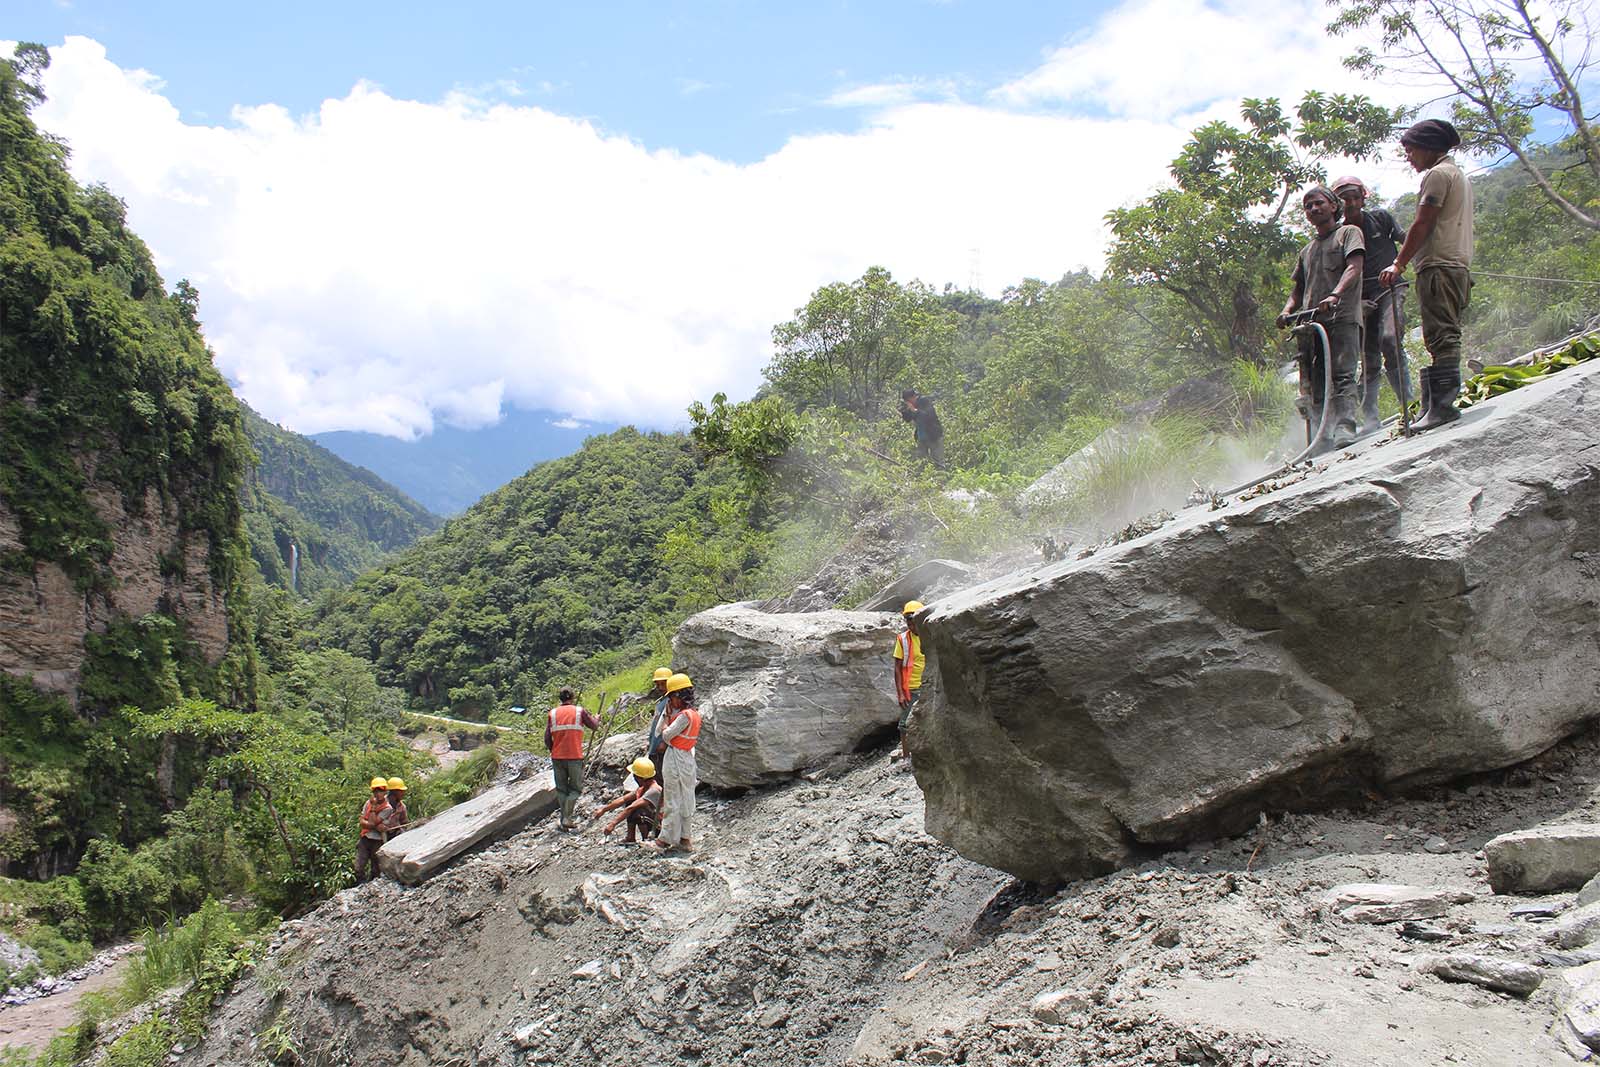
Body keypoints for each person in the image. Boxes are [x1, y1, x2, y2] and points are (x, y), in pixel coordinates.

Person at [1379, 118, 1474, 432]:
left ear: (1429, 147)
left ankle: (1443, 407)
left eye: (1410, 150)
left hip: (1439, 266)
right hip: (1454, 265)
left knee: (1441, 335)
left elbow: (1423, 223)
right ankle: (1434, 405)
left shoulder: (1437, 175)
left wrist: (1399, 263)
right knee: (1441, 333)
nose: (1409, 157)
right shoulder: (1455, 174)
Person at [1277, 186, 1366, 452]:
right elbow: (1298, 289)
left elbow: (1355, 267)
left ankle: (1345, 426)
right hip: (1311, 325)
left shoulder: (1348, 233)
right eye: (1308, 206)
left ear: (1333, 206)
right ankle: (1320, 434)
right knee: (1313, 381)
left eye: (1318, 203)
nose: (1313, 209)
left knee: (1342, 373)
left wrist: (1335, 295)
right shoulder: (1307, 251)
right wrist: (1286, 310)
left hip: (1341, 316)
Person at [1331, 175, 1410, 431]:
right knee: (1370, 358)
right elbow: (1340, 273)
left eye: (1355, 196)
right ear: (1337, 204)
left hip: (1391, 288)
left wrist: (1398, 265)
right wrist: (1355, 301)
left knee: (1390, 340)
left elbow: (1405, 238)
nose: (1351, 202)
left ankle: (1409, 405)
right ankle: (1371, 417)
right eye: (1345, 198)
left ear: (1363, 196)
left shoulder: (1381, 218)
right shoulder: (1339, 235)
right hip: (1361, 300)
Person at [645, 673, 700, 854]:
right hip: (687, 759)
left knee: (672, 798)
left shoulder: (683, 716)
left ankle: (665, 839)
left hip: (676, 759)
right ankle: (685, 838)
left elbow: (666, 736)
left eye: (672, 696)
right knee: (686, 798)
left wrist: (667, 720)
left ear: (679, 696)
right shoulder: (694, 714)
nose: (671, 700)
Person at [545, 688, 601, 831]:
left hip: (557, 757)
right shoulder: (579, 711)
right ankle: (567, 818)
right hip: (574, 756)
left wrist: (554, 750)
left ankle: (564, 819)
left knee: (561, 789)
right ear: (573, 697)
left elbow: (547, 738)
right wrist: (597, 718)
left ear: (560, 698)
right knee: (575, 788)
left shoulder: (553, 713)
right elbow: (594, 726)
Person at [592, 757, 664, 844]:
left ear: (641, 778)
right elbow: (623, 799)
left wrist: (612, 824)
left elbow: (630, 808)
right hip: (653, 822)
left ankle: (647, 839)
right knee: (630, 802)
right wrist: (603, 810)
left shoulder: (654, 790)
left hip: (659, 827)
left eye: (635, 776)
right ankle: (631, 837)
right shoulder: (643, 788)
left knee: (637, 809)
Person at [892, 601, 926, 759]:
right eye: (909, 623)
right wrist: (900, 693)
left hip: (929, 685)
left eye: (914, 622)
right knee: (904, 725)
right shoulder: (903, 639)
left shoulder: (931, 633)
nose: (912, 626)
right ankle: (906, 758)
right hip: (910, 688)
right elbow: (897, 668)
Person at [353, 777, 390, 883]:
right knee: (358, 867)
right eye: (375, 790)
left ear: (385, 791)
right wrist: (375, 826)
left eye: (380, 790)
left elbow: (372, 822)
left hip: (377, 841)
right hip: (365, 838)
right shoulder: (367, 803)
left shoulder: (387, 808)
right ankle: (360, 887)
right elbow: (362, 822)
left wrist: (373, 808)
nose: (377, 793)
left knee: (375, 869)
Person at [898, 389, 945, 467]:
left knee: (938, 462)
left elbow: (928, 416)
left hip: (934, 436)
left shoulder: (924, 401)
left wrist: (915, 410)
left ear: (913, 397)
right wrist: (904, 411)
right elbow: (908, 419)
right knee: (921, 463)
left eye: (908, 400)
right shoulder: (910, 406)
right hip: (921, 438)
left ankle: (942, 478)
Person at [644, 667, 673, 783]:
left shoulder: (672, 701)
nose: (660, 688)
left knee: (664, 782)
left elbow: (672, 723)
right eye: (658, 684)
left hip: (662, 750)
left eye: (663, 684)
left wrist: (664, 742)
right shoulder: (662, 702)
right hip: (655, 749)